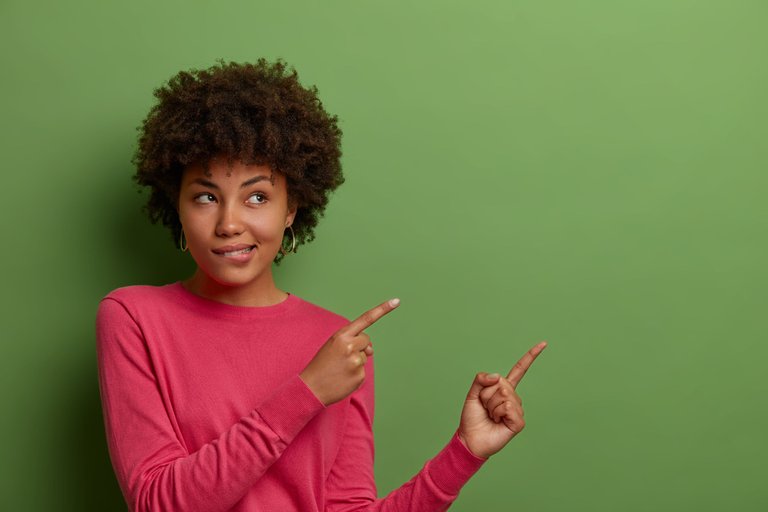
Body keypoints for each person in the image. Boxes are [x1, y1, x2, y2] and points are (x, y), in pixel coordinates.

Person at [95, 58, 547, 512]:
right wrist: (306, 392)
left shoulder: (339, 346)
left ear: (291, 208)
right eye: (206, 197)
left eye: (257, 197)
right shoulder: (133, 317)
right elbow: (158, 503)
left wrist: (463, 454)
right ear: (177, 205)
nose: (229, 223)